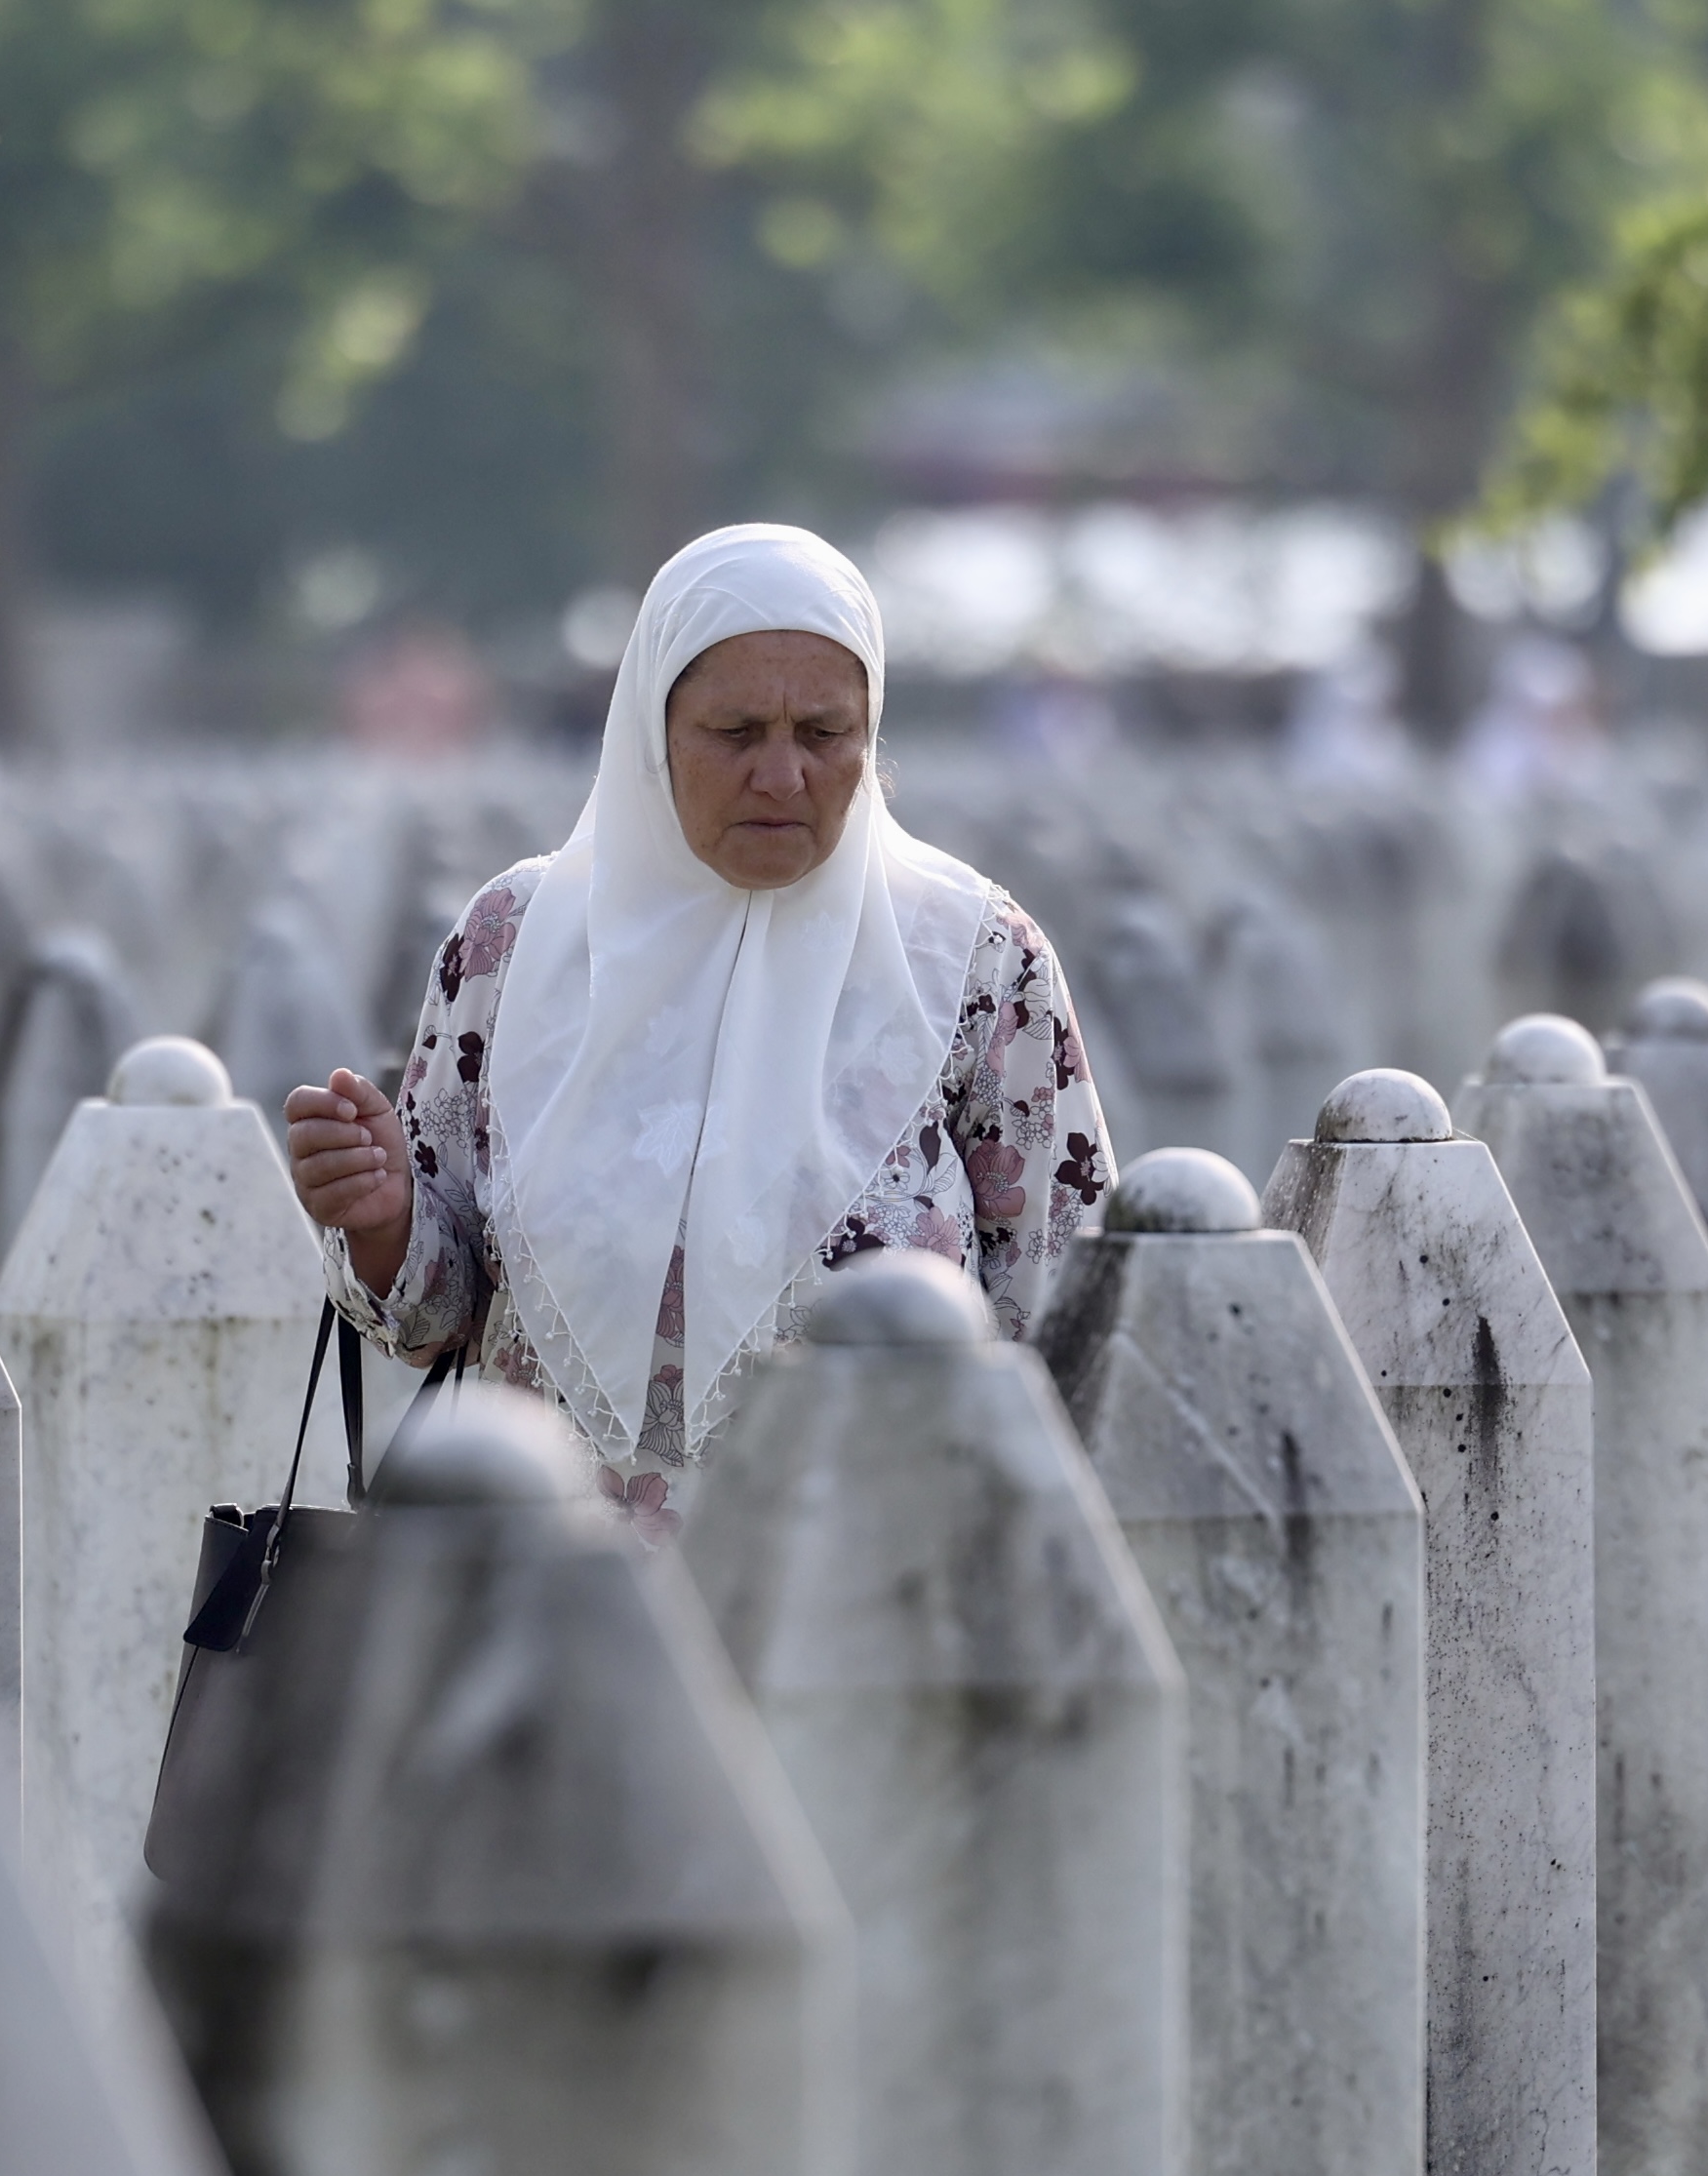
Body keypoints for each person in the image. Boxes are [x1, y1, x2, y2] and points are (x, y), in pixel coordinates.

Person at [287, 525, 1113, 1534]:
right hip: (560, 1593)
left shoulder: (974, 962)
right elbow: (437, 1314)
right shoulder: (518, 946)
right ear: (651, 732)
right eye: (733, 733)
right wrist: (380, 1220)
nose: (781, 776)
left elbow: (1061, 1314)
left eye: (822, 733)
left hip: (862, 1594)